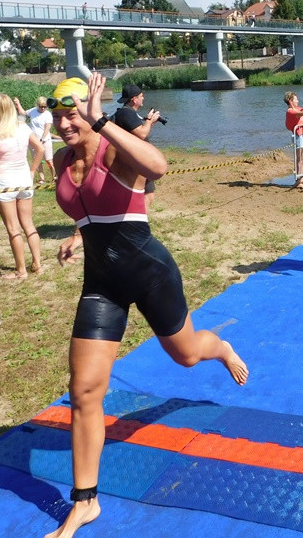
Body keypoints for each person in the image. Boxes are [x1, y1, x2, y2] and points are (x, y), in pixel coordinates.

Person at [45, 74, 247, 538]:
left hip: (150, 272)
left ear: (89, 112)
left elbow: (157, 167)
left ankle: (223, 348)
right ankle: (84, 502)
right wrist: (78, 235)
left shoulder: (115, 149)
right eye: (58, 116)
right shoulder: (60, 159)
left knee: (188, 354)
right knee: (84, 391)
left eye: (72, 114)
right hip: (101, 285)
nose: (64, 123)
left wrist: (102, 121)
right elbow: (90, 208)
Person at [0, 93, 45, 280]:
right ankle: (37, 264)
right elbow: (40, 149)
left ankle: (21, 270)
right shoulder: (23, 127)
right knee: (28, 224)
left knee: (13, 229)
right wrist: (33, 170)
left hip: (4, 182)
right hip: (24, 179)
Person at [112, 84, 161, 205]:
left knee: (143, 193)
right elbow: (142, 134)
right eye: (141, 96)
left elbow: (135, 131)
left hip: (133, 158)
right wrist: (149, 121)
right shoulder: (127, 113)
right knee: (147, 195)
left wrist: (150, 122)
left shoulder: (125, 112)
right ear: (134, 99)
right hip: (136, 159)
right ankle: (139, 220)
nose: (143, 98)